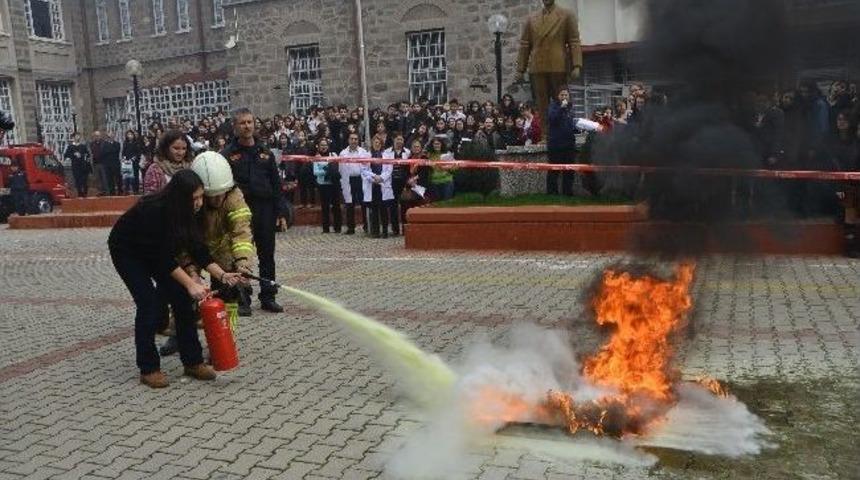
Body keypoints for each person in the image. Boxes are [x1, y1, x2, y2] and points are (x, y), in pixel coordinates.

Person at [108, 170, 244, 388]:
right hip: (128, 252)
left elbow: (197, 247)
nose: (200, 203)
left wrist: (222, 274)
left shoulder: (190, 210)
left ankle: (192, 362)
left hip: (156, 252)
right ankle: (148, 367)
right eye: (195, 198)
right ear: (179, 197)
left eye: (201, 196)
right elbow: (162, 260)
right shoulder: (154, 210)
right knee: (149, 304)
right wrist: (191, 284)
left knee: (182, 300)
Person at [221, 108, 284, 313]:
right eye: (242, 123)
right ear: (235, 126)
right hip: (239, 210)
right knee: (239, 255)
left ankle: (268, 295)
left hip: (264, 209)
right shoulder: (227, 155)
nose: (247, 126)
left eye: (250, 122)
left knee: (267, 254)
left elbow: (276, 185)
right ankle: (242, 297)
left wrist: (281, 212)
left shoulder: (265, 153)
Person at [514, 0, 582, 137]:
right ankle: (545, 134)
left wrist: (577, 64)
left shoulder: (566, 15)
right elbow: (525, 44)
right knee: (542, 104)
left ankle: (562, 131)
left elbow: (574, 41)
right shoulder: (531, 19)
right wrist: (520, 69)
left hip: (558, 64)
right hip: (537, 66)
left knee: (561, 100)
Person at [546, 86, 577, 196]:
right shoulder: (553, 107)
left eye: (566, 95)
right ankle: (552, 193)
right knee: (554, 169)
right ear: (558, 96)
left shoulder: (571, 108)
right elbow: (552, 119)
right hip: (556, 144)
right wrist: (561, 108)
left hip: (569, 143)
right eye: (562, 95)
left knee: (569, 170)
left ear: (569, 96)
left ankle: (567, 192)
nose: (564, 97)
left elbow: (571, 123)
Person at [339, 132, 370, 235]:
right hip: (349, 180)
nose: (354, 141)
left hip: (361, 180)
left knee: (364, 203)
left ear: (358, 141)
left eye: (356, 139)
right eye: (352, 139)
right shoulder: (343, 153)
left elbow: (367, 166)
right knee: (349, 204)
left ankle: (367, 226)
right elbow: (340, 169)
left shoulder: (364, 152)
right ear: (348, 140)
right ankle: (351, 228)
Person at [143, 130, 192, 194]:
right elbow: (149, 198)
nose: (180, 153)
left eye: (184, 148)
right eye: (176, 148)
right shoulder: (155, 170)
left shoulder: (190, 167)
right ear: (165, 148)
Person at [362, 136, 393, 238]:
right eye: (375, 143)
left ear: (381, 144)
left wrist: (381, 178)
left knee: (384, 210)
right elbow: (364, 169)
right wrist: (374, 177)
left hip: (383, 184)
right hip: (372, 184)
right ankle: (375, 231)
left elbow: (389, 169)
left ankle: (384, 231)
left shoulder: (386, 155)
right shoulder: (367, 155)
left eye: (379, 143)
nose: (377, 144)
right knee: (374, 210)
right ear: (372, 144)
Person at [383, 133, 411, 236]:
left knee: (405, 206)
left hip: (403, 182)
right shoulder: (386, 152)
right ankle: (395, 229)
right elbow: (385, 168)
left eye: (401, 139)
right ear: (394, 140)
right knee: (393, 206)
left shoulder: (408, 152)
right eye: (398, 139)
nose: (399, 141)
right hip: (391, 182)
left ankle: (405, 229)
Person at [313, 138, 343, 233]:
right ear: (318, 146)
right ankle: (326, 228)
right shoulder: (316, 157)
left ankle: (337, 228)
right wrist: (326, 170)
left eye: (325, 145)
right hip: (323, 185)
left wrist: (330, 169)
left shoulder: (334, 155)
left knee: (336, 206)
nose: (324, 147)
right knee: (325, 207)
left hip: (334, 184)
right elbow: (315, 172)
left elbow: (339, 167)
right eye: (322, 145)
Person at [64, 133, 91, 198]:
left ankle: (85, 192)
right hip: (75, 165)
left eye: (79, 136)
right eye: (76, 136)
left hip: (83, 165)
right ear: (73, 138)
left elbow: (88, 155)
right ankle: (80, 193)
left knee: (84, 180)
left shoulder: (83, 146)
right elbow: (66, 155)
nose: (78, 137)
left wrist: (83, 156)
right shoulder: (70, 147)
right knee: (77, 179)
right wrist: (74, 154)